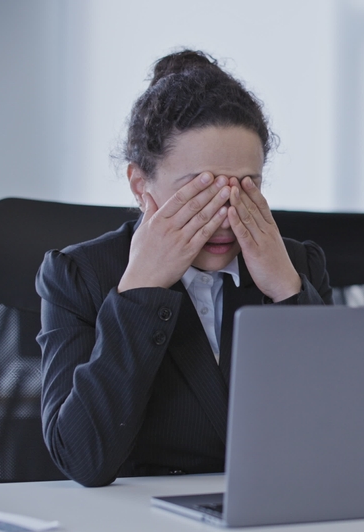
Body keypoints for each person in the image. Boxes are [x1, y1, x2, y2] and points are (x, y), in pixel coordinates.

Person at [36, 50, 332, 487]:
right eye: (200, 189)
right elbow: (83, 460)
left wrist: (287, 292)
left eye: (246, 188)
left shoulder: (298, 266)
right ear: (141, 185)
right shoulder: (78, 276)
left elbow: (337, 436)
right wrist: (140, 291)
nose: (225, 214)